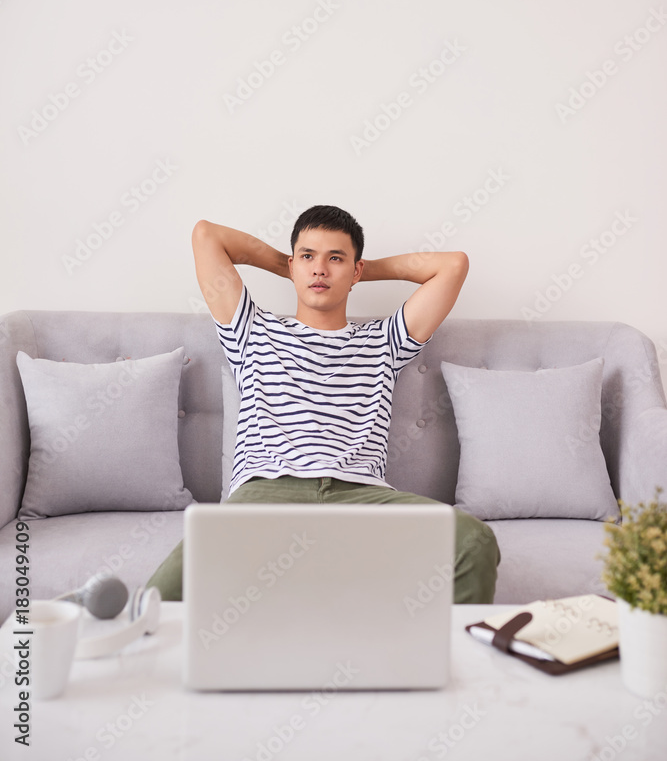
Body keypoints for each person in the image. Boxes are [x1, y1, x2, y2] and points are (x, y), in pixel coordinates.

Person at [147, 204, 499, 602]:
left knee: (474, 541)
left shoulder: (384, 341)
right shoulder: (252, 331)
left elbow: (453, 265)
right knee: (161, 596)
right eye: (308, 257)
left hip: (359, 496)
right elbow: (207, 235)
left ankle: (448, 660)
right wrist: (288, 264)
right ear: (294, 265)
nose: (319, 269)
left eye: (336, 259)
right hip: (267, 492)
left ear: (356, 271)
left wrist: (356, 270)